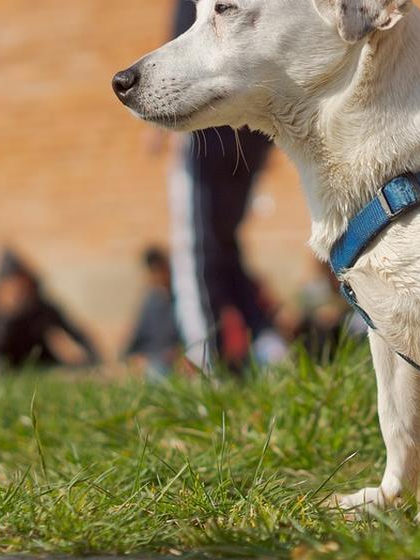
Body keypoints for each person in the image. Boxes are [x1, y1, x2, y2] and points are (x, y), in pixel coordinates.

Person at [157, 0, 287, 375]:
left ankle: (206, 363)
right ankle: (266, 342)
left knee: (196, 248)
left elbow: (186, 44)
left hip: (208, 131)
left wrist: (160, 120)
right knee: (224, 243)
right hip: (250, 131)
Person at [0, 249, 101, 371]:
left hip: (44, 364)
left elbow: (75, 331)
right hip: (5, 368)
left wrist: (92, 356)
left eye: (20, 285)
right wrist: (6, 315)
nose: (17, 292)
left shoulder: (39, 307)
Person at [122, 246, 181, 379]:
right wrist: (134, 358)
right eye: (153, 271)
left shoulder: (184, 300)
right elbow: (134, 340)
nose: (158, 276)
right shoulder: (151, 301)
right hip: (149, 361)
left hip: (170, 363)